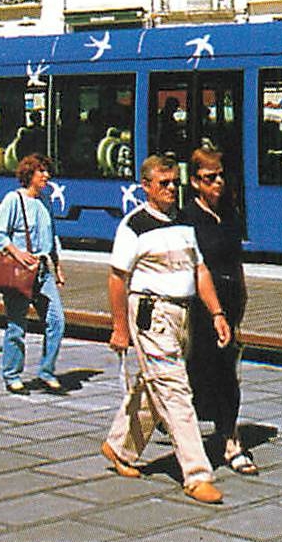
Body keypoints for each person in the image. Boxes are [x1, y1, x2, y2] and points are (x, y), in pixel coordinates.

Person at [101, 153, 233, 505]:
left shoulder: (185, 221)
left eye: (175, 181)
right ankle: (197, 475)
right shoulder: (133, 226)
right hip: (152, 316)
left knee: (155, 385)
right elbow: (117, 279)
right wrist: (119, 329)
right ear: (146, 187)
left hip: (184, 316)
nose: (172, 188)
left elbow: (199, 270)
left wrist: (217, 312)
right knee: (175, 392)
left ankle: (119, 448)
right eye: (164, 183)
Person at [181, 146, 256, 475]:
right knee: (192, 373)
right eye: (210, 178)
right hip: (199, 308)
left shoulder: (228, 214)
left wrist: (240, 300)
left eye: (220, 175)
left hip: (229, 304)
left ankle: (230, 439)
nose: (218, 182)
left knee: (227, 373)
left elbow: (235, 260)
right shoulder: (187, 217)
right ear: (195, 181)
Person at [0, 152, 65, 395]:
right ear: (29, 174)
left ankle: (46, 371)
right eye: (41, 171)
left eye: (47, 171)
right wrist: (16, 252)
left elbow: (51, 237)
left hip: (42, 272)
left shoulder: (44, 202)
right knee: (16, 325)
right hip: (20, 272)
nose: (47, 176)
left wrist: (57, 267)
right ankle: (12, 375)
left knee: (56, 321)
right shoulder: (14, 200)